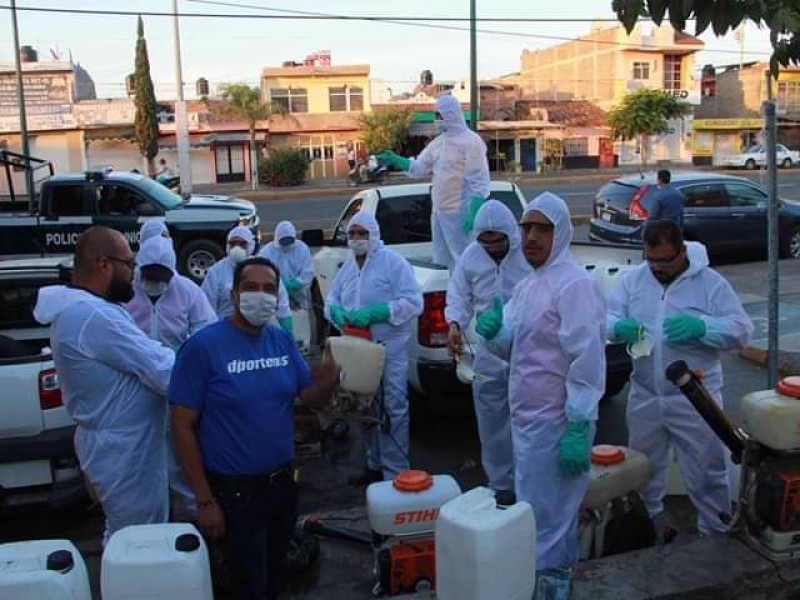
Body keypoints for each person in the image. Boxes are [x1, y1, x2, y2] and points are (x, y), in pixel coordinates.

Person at [170, 256, 339, 600]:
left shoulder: (280, 341)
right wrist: (203, 500)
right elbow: (181, 427)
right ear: (233, 295)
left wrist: (327, 384)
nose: (260, 296)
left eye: (268, 289)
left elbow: (307, 397)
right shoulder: (203, 348)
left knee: (275, 573)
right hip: (233, 493)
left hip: (281, 486)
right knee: (246, 581)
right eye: (251, 287)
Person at [479, 192, 606, 593]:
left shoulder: (573, 285)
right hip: (529, 423)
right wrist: (495, 333)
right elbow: (513, 350)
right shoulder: (530, 285)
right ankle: (552, 586)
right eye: (526, 227)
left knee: (547, 523)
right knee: (542, 518)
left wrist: (578, 424)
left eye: (542, 229)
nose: (531, 237)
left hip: (557, 425)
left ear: (562, 233)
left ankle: (547, 590)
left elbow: (586, 362)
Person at [607, 219, 753, 538]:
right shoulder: (633, 281)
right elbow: (604, 316)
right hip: (645, 394)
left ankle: (714, 533)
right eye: (651, 259)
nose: (657, 267)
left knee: (705, 471)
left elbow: (742, 330)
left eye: (666, 260)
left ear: (682, 251)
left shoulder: (709, 283)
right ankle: (651, 528)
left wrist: (704, 328)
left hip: (695, 398)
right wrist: (617, 327)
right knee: (643, 470)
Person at [33, 226, 175, 544]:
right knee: (137, 542)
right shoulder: (91, 315)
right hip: (124, 452)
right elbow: (163, 369)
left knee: (133, 537)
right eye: (129, 264)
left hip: (121, 447)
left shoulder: (88, 311)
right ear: (103, 264)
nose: (134, 275)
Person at [324, 211, 423, 484]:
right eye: (352, 234)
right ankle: (374, 462)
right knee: (362, 404)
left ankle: (395, 472)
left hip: (388, 347)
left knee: (392, 407)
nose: (356, 239)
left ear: (374, 235)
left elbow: (414, 302)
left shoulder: (393, 263)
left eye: (362, 234)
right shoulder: (348, 267)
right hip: (357, 349)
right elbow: (332, 297)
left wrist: (380, 312)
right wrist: (335, 311)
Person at [444, 200, 532, 504]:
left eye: (498, 242)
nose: (493, 249)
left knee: (529, 417)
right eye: (486, 242)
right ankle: (500, 485)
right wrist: (455, 324)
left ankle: (529, 481)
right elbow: (458, 295)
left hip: (527, 347)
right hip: (487, 351)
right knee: (491, 419)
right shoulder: (471, 258)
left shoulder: (528, 255)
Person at [377, 94, 490, 270]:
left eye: (439, 115)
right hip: (439, 215)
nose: (436, 120)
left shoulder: (471, 141)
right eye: (435, 115)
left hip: (461, 215)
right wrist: (396, 160)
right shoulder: (438, 144)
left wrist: (473, 210)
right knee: (442, 265)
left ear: (450, 114)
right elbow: (419, 168)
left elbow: (480, 180)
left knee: (467, 265)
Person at [126, 236, 217, 350]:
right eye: (150, 277)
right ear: (139, 269)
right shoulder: (125, 287)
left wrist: (190, 348)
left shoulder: (188, 290)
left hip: (176, 359)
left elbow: (205, 325)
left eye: (160, 278)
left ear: (172, 271)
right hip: (134, 358)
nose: (155, 283)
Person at [202, 226, 294, 334]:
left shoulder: (262, 268)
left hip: (259, 329)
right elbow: (206, 308)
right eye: (233, 243)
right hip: (225, 331)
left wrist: (288, 331)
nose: (237, 248)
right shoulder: (216, 272)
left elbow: (281, 301)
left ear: (251, 246)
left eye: (242, 244)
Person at [259, 221, 314, 310]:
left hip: (300, 297)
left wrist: (297, 282)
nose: (287, 244)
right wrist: (278, 286)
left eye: (289, 241)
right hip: (275, 298)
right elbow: (261, 275)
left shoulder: (302, 249)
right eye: (283, 242)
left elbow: (308, 272)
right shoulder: (266, 252)